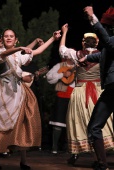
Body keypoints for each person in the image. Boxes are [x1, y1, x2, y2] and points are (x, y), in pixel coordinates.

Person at [0, 28, 61, 170]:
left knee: (22, 123)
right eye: (6, 36)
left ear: (15, 39)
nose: (8, 38)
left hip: (17, 92)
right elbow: (5, 55)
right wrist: (19, 48)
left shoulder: (18, 56)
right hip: (1, 91)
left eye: (11, 36)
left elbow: (37, 52)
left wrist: (52, 39)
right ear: (2, 40)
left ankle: (24, 161)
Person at [59, 23, 114, 167]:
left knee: (81, 122)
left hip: (80, 92)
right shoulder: (105, 53)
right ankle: (100, 158)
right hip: (99, 90)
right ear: (97, 42)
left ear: (83, 42)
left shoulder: (75, 54)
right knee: (103, 123)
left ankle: (87, 156)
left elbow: (62, 50)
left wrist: (64, 33)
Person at [78, 6, 114, 170]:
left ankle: (102, 164)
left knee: (94, 126)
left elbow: (107, 43)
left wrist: (93, 18)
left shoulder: (111, 40)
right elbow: (103, 53)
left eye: (106, 26)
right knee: (94, 126)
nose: (105, 29)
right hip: (112, 89)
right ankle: (102, 164)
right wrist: (87, 57)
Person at [46, 58, 75, 154]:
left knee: (72, 122)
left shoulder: (78, 66)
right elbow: (49, 77)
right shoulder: (60, 65)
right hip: (62, 96)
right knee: (58, 121)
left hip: (75, 96)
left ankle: (69, 147)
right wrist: (62, 74)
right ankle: (54, 146)